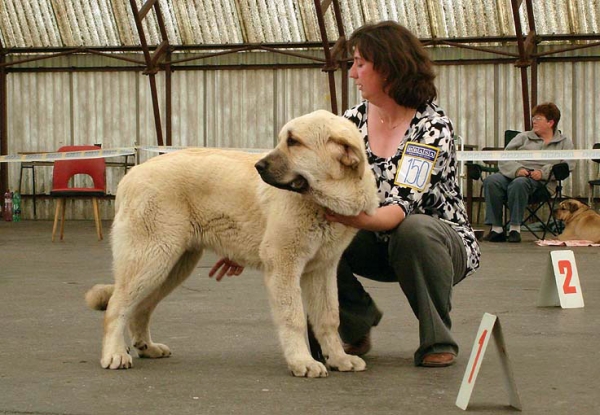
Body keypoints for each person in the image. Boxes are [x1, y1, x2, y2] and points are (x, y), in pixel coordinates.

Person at [211, 21, 481, 368]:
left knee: (414, 230)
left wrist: (342, 219)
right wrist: (253, 239)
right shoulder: (350, 122)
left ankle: (437, 338)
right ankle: (354, 325)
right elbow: (310, 188)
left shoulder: (431, 127)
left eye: (359, 63)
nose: (352, 73)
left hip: (435, 244)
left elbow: (398, 210)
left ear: (387, 66)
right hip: (368, 232)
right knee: (312, 234)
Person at [482, 102, 576, 243]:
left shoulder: (564, 142)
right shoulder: (523, 137)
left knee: (519, 184)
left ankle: (515, 228)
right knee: (491, 181)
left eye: (538, 118)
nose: (534, 121)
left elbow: (567, 166)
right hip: (515, 174)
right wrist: (517, 170)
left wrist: (543, 173)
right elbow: (504, 158)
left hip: (542, 184)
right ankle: (496, 229)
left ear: (550, 122)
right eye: (534, 118)